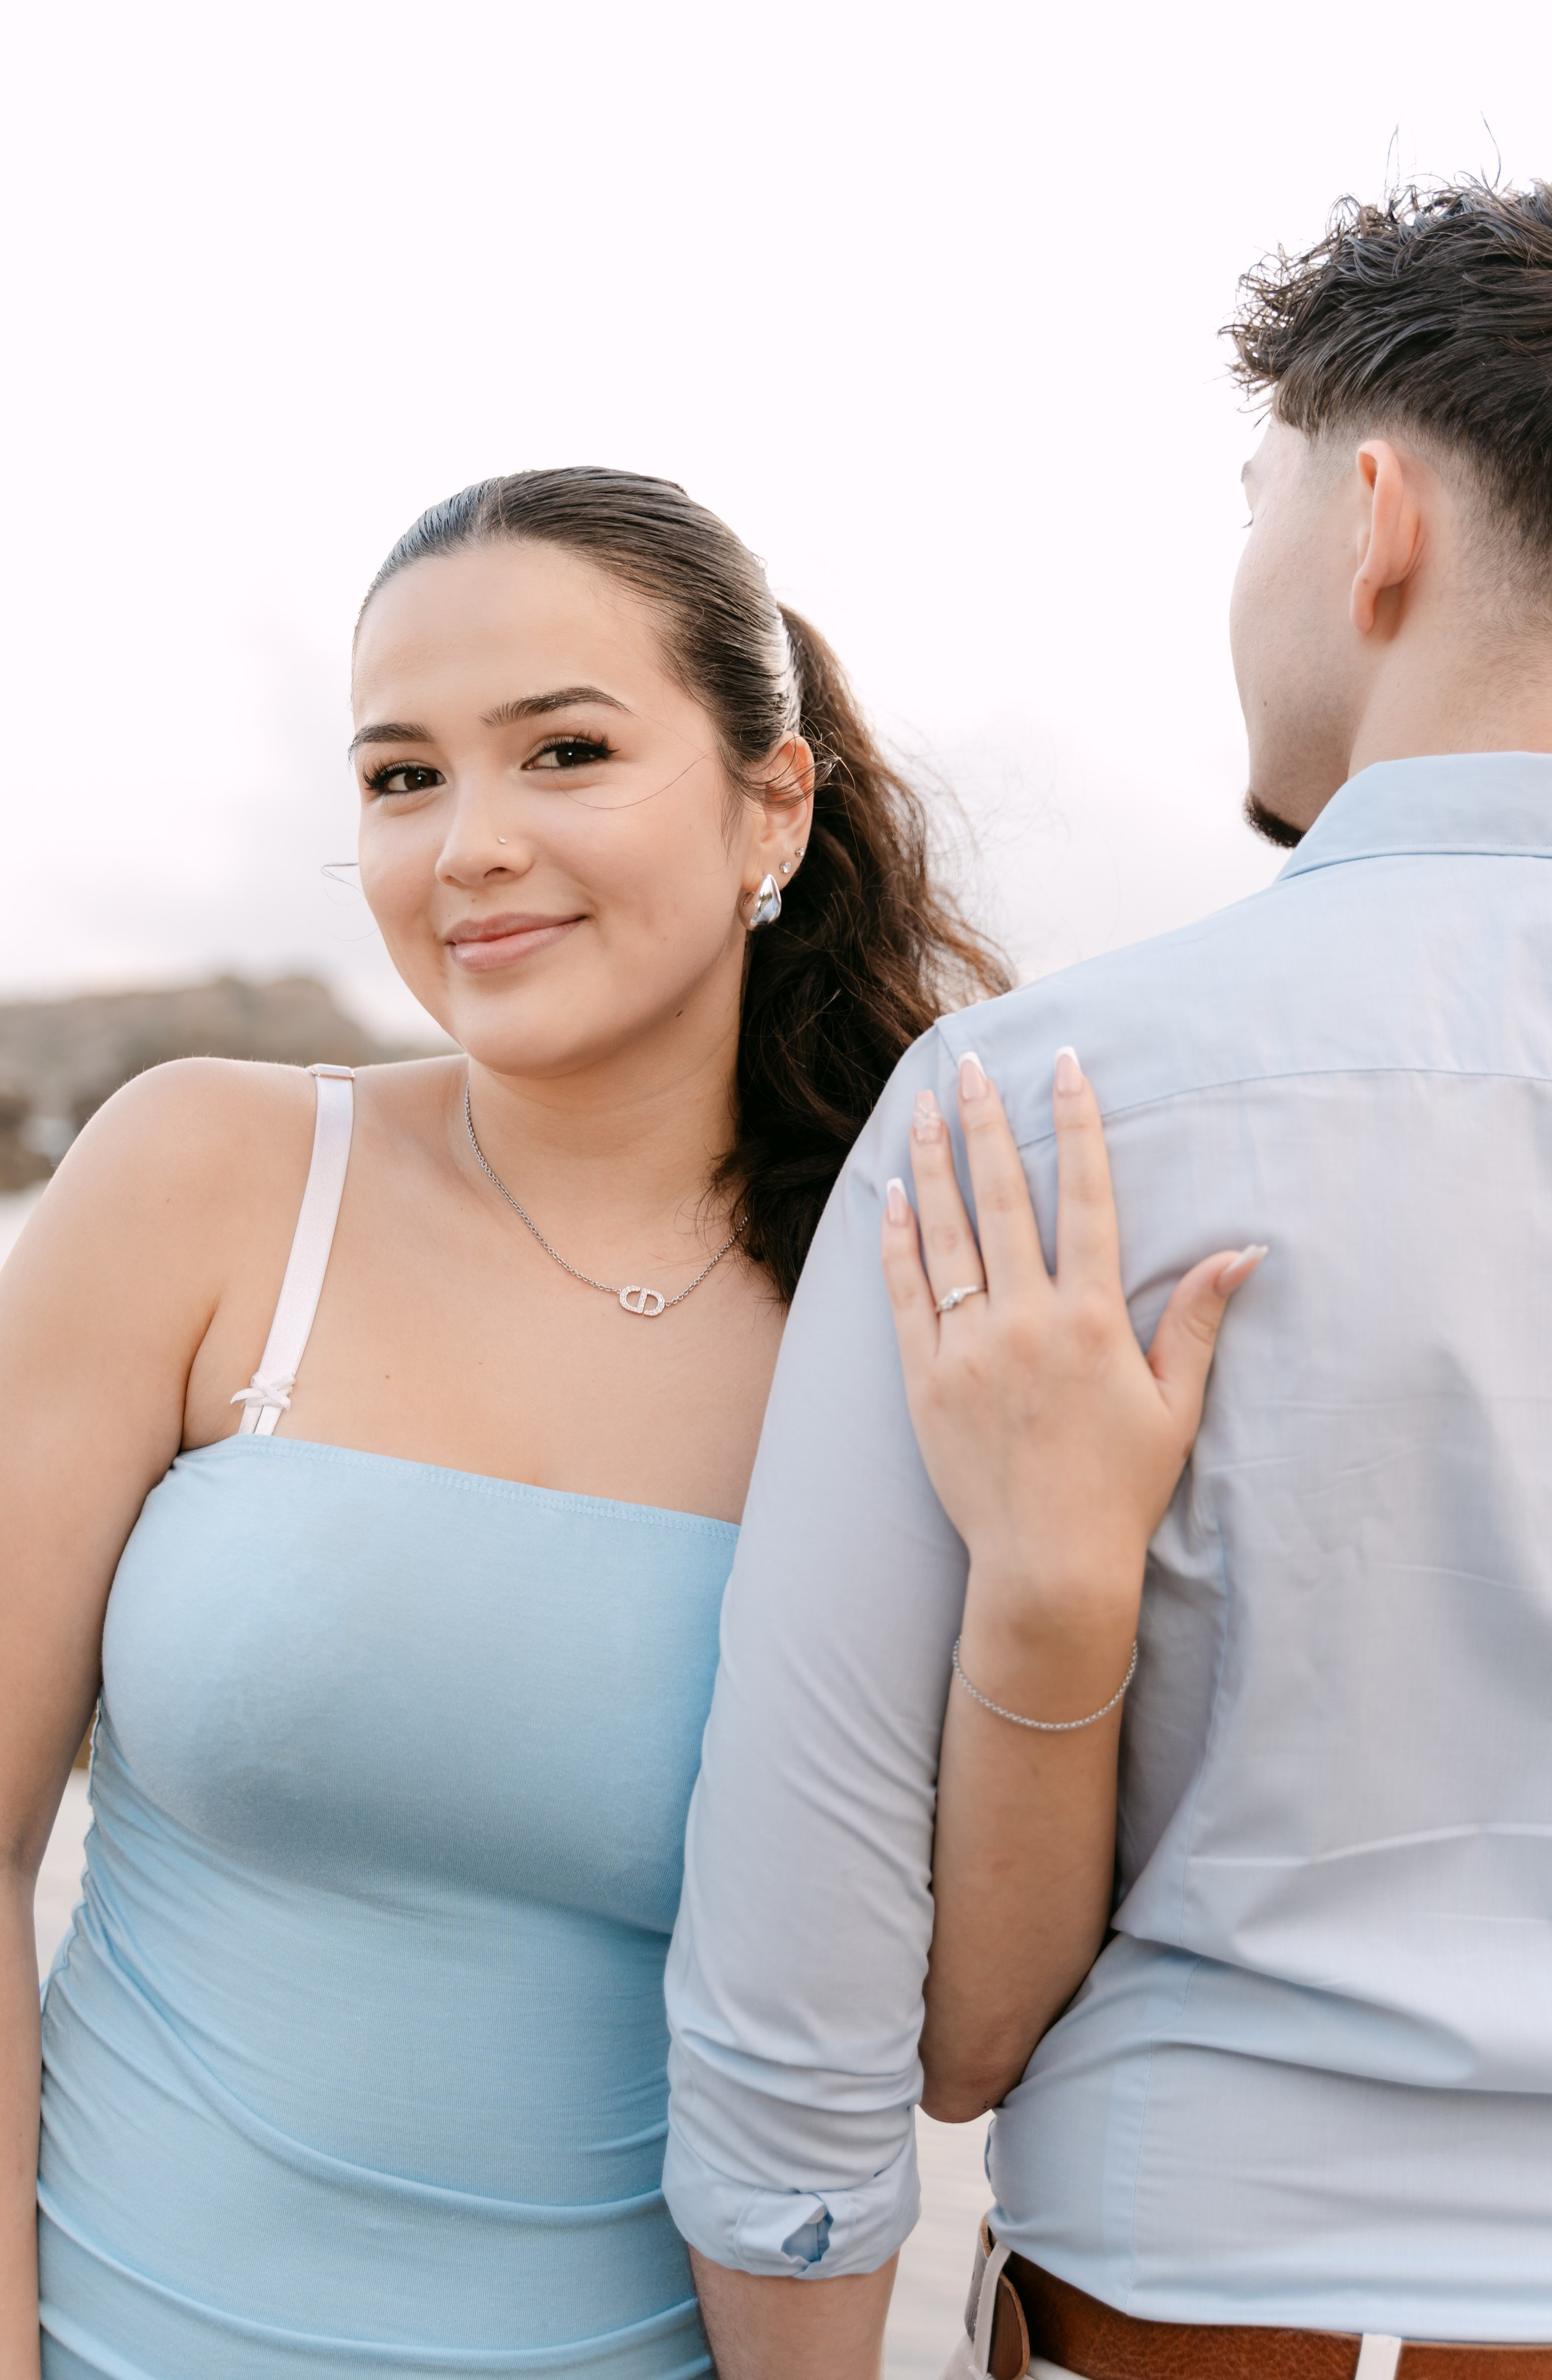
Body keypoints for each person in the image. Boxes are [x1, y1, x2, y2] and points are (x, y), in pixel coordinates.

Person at [665, 179, 1552, 2379]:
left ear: (1374, 522)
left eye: (1253, 501)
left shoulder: (1037, 1108)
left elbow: (812, 1952)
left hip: (1206, 2310)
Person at [0, 465, 1020, 2379]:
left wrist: (1060, 1575)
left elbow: (972, 2020)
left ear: (771, 805)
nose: (469, 843)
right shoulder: (208, 1176)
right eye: (403, 776)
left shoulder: (911, 1312)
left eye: (565, 751)